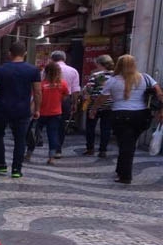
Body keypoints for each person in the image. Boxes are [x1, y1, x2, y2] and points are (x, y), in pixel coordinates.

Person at [89, 54, 163, 184]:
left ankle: (125, 175)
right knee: (129, 143)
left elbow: (102, 97)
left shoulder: (113, 80)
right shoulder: (145, 77)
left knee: (125, 145)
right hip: (141, 115)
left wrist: (94, 109)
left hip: (120, 115)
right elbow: (159, 93)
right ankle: (120, 170)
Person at [0, 41, 42, 178]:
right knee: (20, 139)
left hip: (2, 108)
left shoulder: (0, 70)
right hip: (23, 109)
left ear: (9, 54)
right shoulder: (33, 70)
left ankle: (0, 164)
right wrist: (37, 109)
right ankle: (16, 169)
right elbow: (37, 91)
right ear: (25, 53)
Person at [32, 62, 69, 165]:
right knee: (53, 134)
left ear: (45, 72)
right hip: (56, 113)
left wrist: (35, 110)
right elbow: (66, 96)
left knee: (35, 133)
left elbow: (35, 97)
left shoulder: (41, 84)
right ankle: (52, 157)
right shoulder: (63, 84)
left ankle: (29, 153)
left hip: (41, 112)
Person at [48, 50, 81, 158]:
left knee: (49, 124)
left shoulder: (47, 69)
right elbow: (76, 89)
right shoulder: (73, 71)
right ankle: (58, 149)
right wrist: (75, 103)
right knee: (61, 124)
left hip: (49, 98)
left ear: (52, 59)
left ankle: (50, 147)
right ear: (64, 59)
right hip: (65, 99)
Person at [83, 54, 114, 157]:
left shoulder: (97, 75)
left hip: (94, 105)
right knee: (106, 128)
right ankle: (103, 150)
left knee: (90, 127)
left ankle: (90, 148)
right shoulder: (115, 76)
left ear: (100, 64)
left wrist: (85, 94)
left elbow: (89, 90)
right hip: (109, 105)